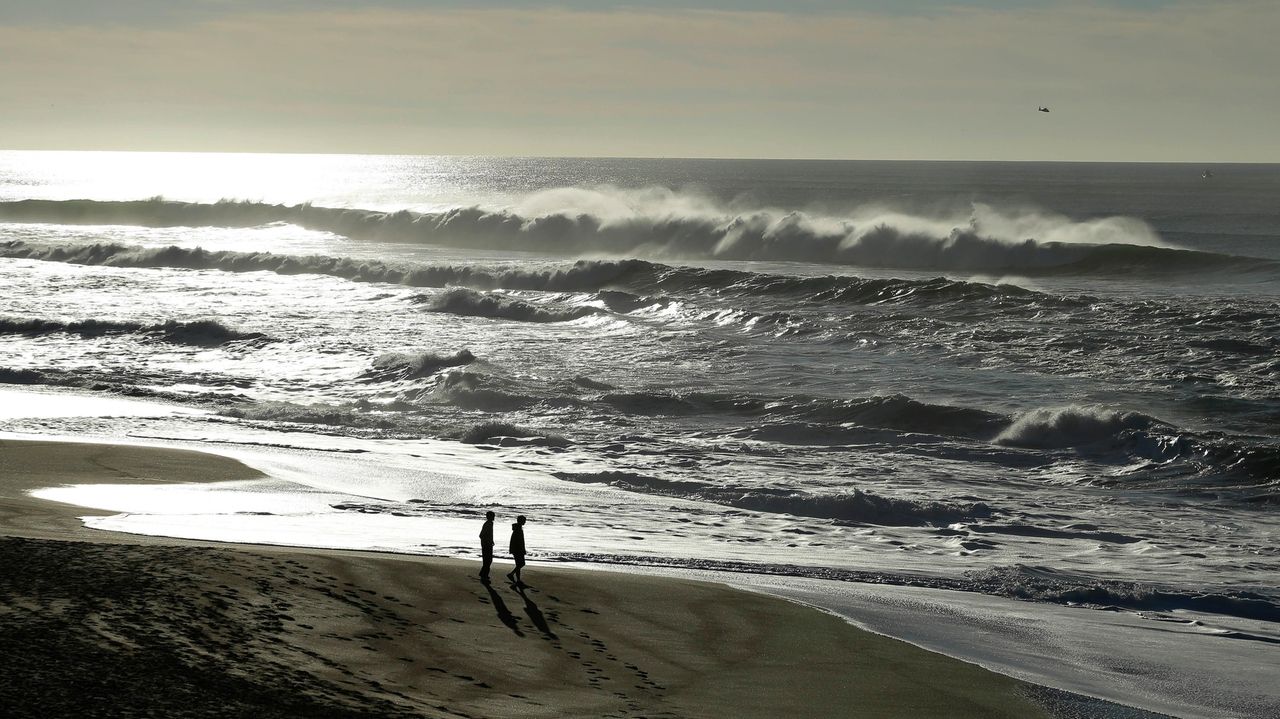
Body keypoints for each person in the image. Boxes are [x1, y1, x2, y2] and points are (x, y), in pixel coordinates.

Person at [505, 515, 527, 586]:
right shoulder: (518, 529)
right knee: (521, 564)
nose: (525, 522)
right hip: (518, 550)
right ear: (521, 521)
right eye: (524, 521)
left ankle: (517, 579)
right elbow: (519, 541)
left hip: (516, 549)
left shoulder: (517, 528)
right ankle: (512, 575)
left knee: (519, 564)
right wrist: (522, 550)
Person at [478, 511, 495, 582]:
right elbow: (481, 535)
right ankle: (484, 575)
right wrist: (487, 541)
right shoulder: (488, 524)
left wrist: (491, 540)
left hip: (487, 543)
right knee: (488, 560)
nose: (494, 517)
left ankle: (483, 574)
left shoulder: (490, 523)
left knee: (488, 560)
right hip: (486, 544)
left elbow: (489, 534)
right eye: (493, 516)